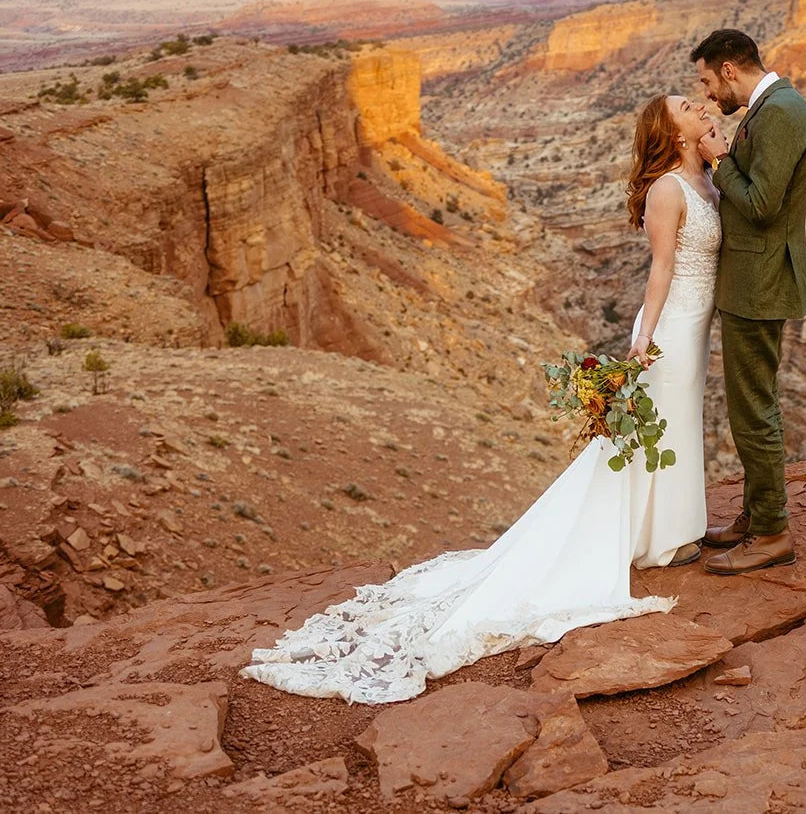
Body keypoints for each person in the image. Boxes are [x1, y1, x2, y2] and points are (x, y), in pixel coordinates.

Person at [242, 93, 727, 704]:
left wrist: (719, 157)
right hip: (671, 327)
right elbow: (660, 269)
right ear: (671, 129)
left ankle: (667, 531)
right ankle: (657, 539)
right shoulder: (666, 189)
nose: (697, 103)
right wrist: (643, 343)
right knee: (659, 427)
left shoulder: (703, 176)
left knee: (677, 425)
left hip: (696, 323)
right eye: (686, 104)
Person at [691, 29, 806, 576]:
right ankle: (755, 513)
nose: (705, 94)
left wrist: (718, 161)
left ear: (727, 69)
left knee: (753, 411)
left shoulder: (781, 113)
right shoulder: (771, 107)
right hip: (754, 278)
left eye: (704, 80)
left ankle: (771, 532)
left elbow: (763, 205)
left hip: (760, 282)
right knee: (750, 405)